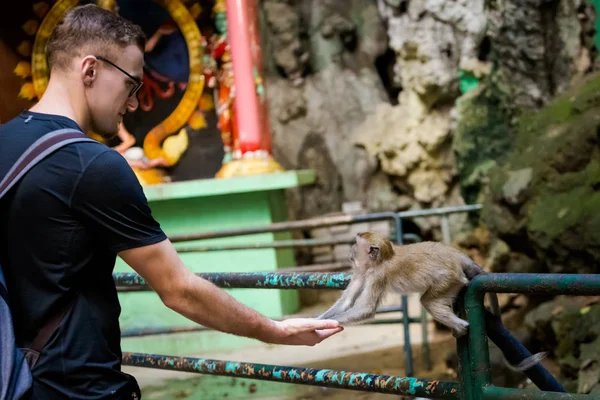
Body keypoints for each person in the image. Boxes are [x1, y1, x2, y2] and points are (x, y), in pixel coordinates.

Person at [0, 5, 342, 399]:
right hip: (78, 386)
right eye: (132, 85)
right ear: (90, 70)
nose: (132, 104)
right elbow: (179, 289)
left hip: (14, 380)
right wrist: (274, 329)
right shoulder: (90, 165)